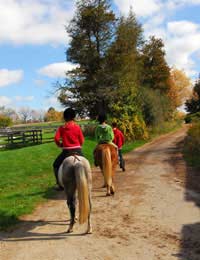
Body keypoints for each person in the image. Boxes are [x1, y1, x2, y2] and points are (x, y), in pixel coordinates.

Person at [53, 108, 84, 190]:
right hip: (78, 150)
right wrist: (78, 145)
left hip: (66, 152)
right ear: (73, 116)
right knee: (85, 164)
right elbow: (82, 140)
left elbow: (56, 138)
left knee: (55, 165)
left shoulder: (61, 128)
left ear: (65, 117)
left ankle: (59, 184)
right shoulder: (77, 127)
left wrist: (60, 145)